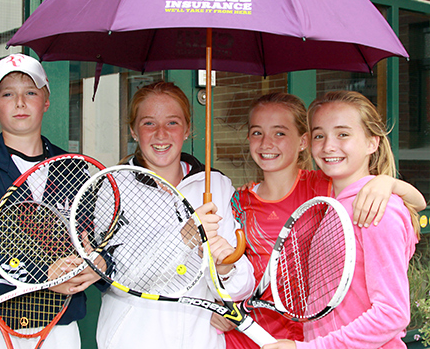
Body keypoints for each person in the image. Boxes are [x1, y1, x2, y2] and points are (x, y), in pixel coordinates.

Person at [211, 93, 426, 349]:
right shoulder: (333, 205)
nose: (328, 146)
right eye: (320, 135)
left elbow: (391, 315)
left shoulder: (377, 209)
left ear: (372, 143)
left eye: (343, 134)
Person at [95, 81, 255, 349]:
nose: (160, 134)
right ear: (134, 130)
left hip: (201, 341)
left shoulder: (215, 185)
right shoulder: (113, 187)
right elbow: (121, 277)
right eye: (148, 123)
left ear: (188, 129)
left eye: (172, 123)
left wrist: (226, 268)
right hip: (131, 340)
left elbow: (239, 288)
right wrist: (185, 238)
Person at [0, 54, 103, 348]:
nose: (20, 103)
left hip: (62, 323)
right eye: (8, 93)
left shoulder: (73, 168)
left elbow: (93, 239)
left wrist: (96, 264)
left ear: (46, 101)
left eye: (31, 93)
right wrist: (41, 279)